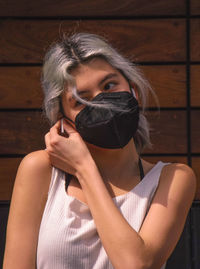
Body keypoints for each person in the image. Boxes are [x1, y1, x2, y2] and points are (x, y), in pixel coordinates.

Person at [3, 33, 196, 269]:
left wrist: (84, 168)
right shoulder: (40, 170)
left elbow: (134, 265)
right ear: (64, 120)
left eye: (109, 85)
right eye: (80, 100)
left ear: (132, 90)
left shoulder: (173, 178)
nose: (101, 102)